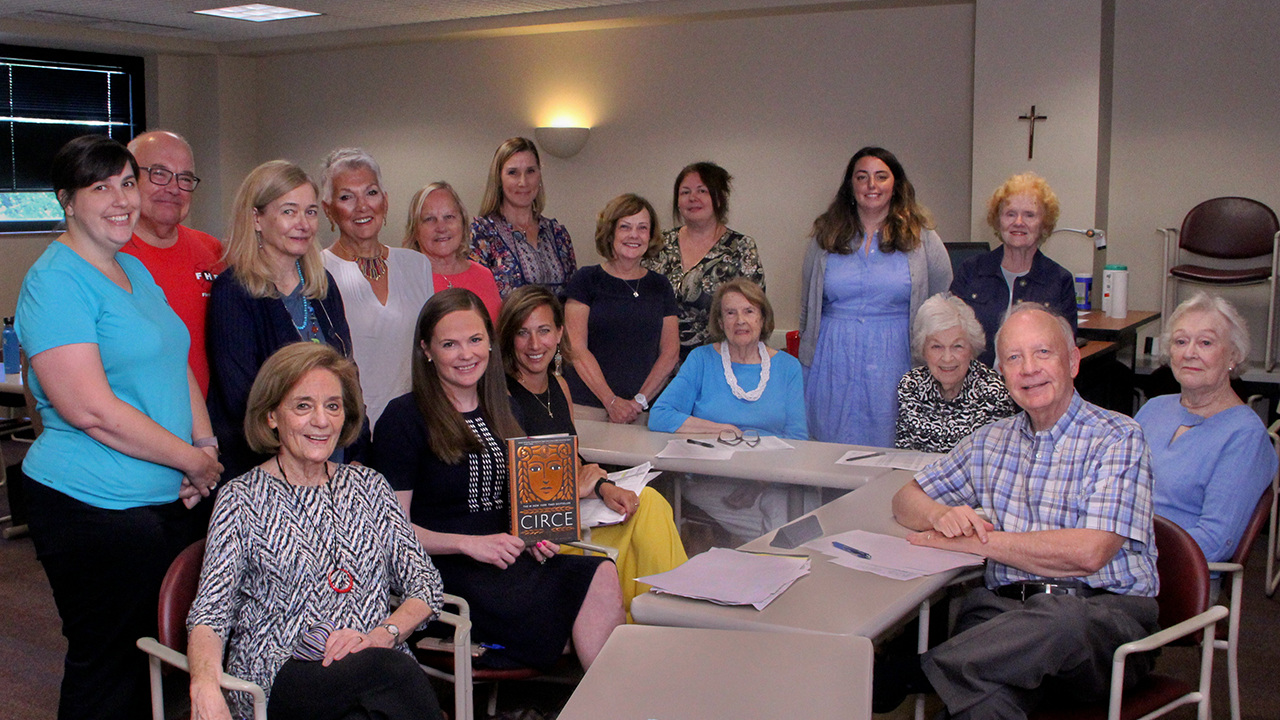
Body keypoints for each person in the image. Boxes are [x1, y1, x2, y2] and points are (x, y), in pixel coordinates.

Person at [15, 134, 222, 720]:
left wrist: (202, 445)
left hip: (169, 495)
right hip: (91, 505)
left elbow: (175, 356)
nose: (120, 199)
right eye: (99, 187)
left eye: (127, 183)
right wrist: (190, 460)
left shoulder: (131, 265)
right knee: (111, 667)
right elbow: (90, 410)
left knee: (164, 663)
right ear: (67, 200)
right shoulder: (55, 282)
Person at [886, 303, 1160, 719]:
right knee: (985, 704)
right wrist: (939, 516)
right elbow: (904, 499)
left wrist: (981, 543)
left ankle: (916, 672)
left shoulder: (1118, 437)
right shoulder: (989, 442)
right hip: (1002, 614)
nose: (1028, 368)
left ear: (1073, 362)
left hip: (1100, 619)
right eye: (1014, 358)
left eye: (1043, 353)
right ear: (1002, 372)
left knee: (1062, 619)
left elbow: (1089, 553)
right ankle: (946, 673)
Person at [187, 342, 444, 720]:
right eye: (303, 406)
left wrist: (377, 637)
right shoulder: (241, 498)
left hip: (373, 668)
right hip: (278, 675)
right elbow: (211, 612)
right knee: (393, 672)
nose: (321, 421)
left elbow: (425, 584)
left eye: (333, 406)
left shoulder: (369, 486)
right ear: (272, 415)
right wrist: (204, 683)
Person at [372, 289, 624, 670]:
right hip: (444, 573)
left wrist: (533, 536)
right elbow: (394, 531)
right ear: (426, 350)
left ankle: (607, 705)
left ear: (490, 343)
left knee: (601, 573)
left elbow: (515, 505)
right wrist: (470, 544)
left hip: (509, 562)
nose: (466, 353)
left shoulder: (506, 408)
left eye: (475, 340)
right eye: (449, 344)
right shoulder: (403, 417)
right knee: (559, 607)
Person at [497, 284, 687, 617]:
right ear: (509, 339)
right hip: (541, 534)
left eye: (544, 331)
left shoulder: (560, 386)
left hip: (574, 510)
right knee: (647, 517)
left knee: (649, 503)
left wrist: (604, 486)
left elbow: (573, 461)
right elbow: (513, 491)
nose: (534, 344)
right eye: (522, 333)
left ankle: (664, 617)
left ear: (559, 333)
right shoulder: (503, 398)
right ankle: (664, 620)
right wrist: (577, 488)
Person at [207, 160, 355, 481]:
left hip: (330, 459)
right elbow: (241, 398)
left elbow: (346, 374)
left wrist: (353, 447)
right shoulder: (233, 291)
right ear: (257, 219)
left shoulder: (323, 285)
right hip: (266, 469)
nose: (303, 223)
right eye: (289, 211)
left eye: (311, 212)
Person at [800, 146, 952, 446]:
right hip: (832, 358)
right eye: (862, 177)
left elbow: (941, 301)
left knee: (889, 448)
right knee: (829, 449)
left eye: (881, 176)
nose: (872, 185)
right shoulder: (825, 235)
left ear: (895, 184)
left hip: (895, 358)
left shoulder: (923, 238)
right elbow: (808, 304)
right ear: (850, 185)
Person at [649, 278, 808, 542]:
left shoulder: (788, 367)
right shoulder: (701, 360)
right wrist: (721, 429)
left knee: (788, 516)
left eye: (749, 311)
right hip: (712, 479)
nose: (740, 320)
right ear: (721, 323)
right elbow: (661, 414)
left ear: (762, 318)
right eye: (730, 313)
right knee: (782, 532)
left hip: (772, 479)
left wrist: (759, 482)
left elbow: (798, 438)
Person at [1136, 292, 1276, 563]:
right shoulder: (1153, 409)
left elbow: (1214, 542)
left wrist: (1126, 553)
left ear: (1233, 355)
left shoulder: (1245, 435)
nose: (1190, 353)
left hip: (1174, 578)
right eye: (1180, 341)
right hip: (1115, 562)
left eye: (1205, 342)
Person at [319, 148, 433, 427]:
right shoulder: (317, 272)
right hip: (349, 427)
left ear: (385, 201)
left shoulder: (417, 265)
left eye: (371, 193)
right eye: (347, 197)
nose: (362, 206)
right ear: (328, 210)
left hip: (418, 423)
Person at [120, 130, 224, 397]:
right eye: (159, 173)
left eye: (185, 178)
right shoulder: (106, 255)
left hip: (205, 427)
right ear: (128, 179)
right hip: (132, 426)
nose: (174, 188)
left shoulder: (214, 252)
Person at [563, 194, 679, 423]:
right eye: (625, 227)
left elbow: (670, 353)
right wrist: (611, 402)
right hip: (589, 408)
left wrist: (638, 402)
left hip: (644, 412)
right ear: (610, 232)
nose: (634, 235)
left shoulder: (661, 286)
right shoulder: (586, 280)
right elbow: (576, 348)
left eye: (642, 228)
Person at [952, 172, 1077, 366]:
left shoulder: (1059, 280)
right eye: (1010, 214)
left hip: (1031, 387)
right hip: (975, 388)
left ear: (1043, 224)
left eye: (1029, 215)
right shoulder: (971, 271)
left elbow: (1064, 350)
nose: (1018, 222)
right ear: (998, 220)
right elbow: (949, 336)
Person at [643, 162, 765, 360]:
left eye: (702, 191)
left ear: (718, 198)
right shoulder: (658, 243)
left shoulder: (740, 247)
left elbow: (754, 312)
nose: (693, 198)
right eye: (685, 192)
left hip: (717, 363)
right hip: (657, 364)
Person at [895, 293, 1017, 453]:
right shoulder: (911, 385)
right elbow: (903, 452)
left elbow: (996, 460)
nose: (947, 358)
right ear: (923, 350)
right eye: (936, 347)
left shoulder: (993, 392)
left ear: (971, 348)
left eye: (957, 346)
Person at [470, 137, 576, 298]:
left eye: (530, 171)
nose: (523, 182)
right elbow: (475, 301)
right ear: (499, 179)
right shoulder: (482, 233)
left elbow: (573, 298)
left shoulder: (557, 233)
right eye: (513, 173)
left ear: (539, 175)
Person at [403, 180, 501, 322]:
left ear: (463, 222)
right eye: (429, 219)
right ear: (415, 230)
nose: (441, 227)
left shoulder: (484, 276)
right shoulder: (404, 281)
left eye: (449, 217)